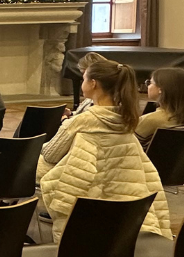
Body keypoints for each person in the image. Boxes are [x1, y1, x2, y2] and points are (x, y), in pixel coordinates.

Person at [37, 59, 170, 241]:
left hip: (88, 196)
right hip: (123, 194)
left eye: (84, 79)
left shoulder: (82, 121)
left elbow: (51, 155)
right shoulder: (126, 118)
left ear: (93, 83)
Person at [136, 67, 184, 146]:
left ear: (161, 89)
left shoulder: (150, 120)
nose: (148, 86)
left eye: (150, 83)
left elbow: (128, 145)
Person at [66, 51, 109, 117]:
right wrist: (71, 114)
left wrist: (64, 120)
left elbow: (84, 120)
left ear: (93, 82)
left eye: (84, 78)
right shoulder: (91, 99)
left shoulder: (99, 103)